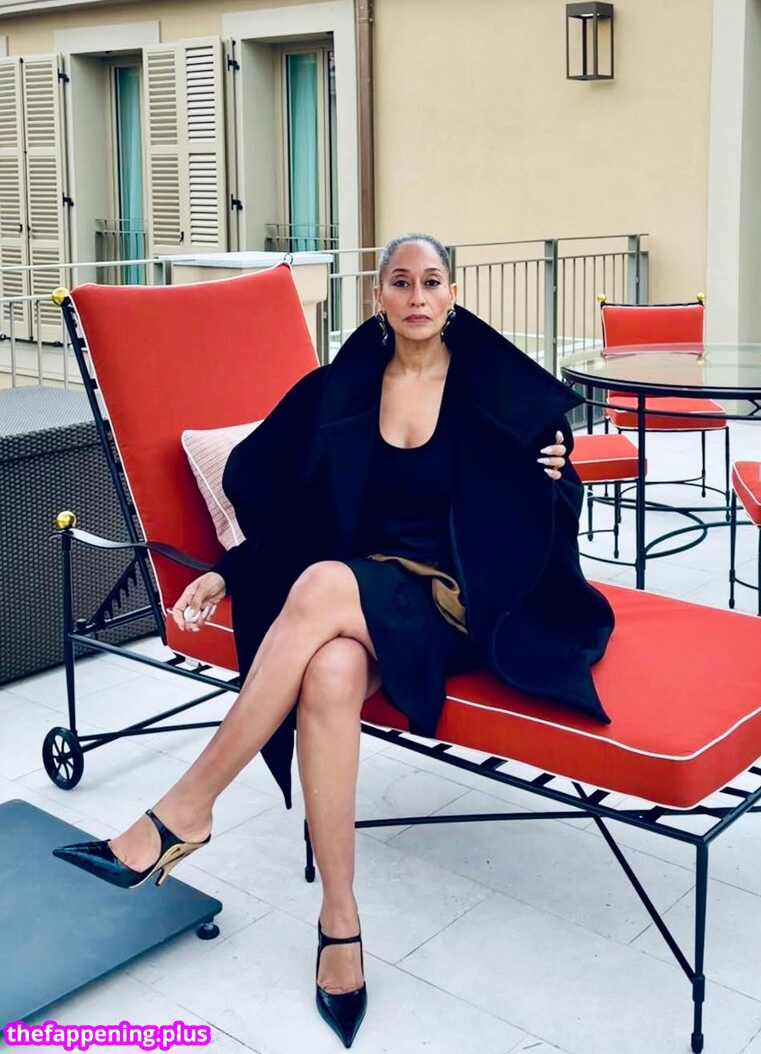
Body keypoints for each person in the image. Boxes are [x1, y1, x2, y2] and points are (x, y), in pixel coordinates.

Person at [53, 233, 615, 1049]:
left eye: (432, 282)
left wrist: (557, 476)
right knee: (329, 674)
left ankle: (185, 812)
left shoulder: (498, 397)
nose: (418, 297)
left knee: (320, 587)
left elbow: (546, 522)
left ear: (452, 295)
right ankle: (339, 919)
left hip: (460, 603)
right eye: (401, 282)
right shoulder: (344, 390)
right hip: (371, 596)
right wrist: (232, 572)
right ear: (377, 297)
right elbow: (292, 502)